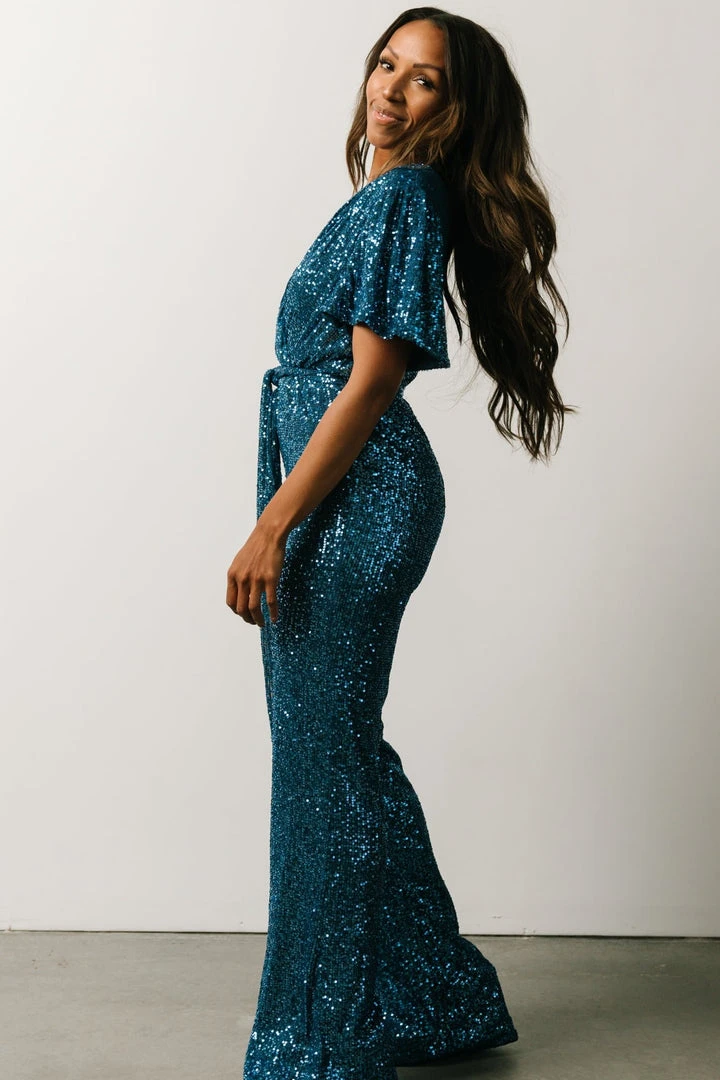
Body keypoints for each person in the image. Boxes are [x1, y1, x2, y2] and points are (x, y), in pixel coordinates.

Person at [227, 8, 572, 1079]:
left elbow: (372, 382)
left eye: (422, 79)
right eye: (387, 63)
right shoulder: (387, 198)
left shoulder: (405, 199)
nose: (391, 87)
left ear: (453, 109)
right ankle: (436, 997)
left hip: (353, 502)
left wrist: (273, 523)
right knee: (338, 753)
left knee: (323, 762)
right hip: (340, 495)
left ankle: (321, 1041)